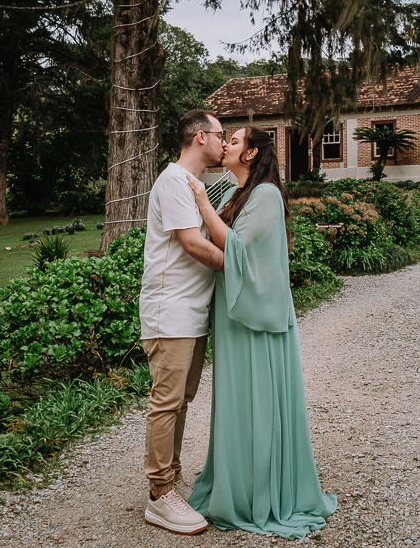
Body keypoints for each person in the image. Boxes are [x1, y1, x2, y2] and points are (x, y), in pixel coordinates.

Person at [185, 125, 337, 537]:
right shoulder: (239, 192)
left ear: (251, 153)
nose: (226, 145)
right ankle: (237, 483)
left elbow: (235, 247)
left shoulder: (266, 194)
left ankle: (262, 493)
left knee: (258, 399)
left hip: (256, 319)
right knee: (238, 399)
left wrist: (201, 202)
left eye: (233, 141)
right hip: (236, 313)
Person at [138, 109, 227, 535]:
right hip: (169, 312)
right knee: (167, 402)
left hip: (190, 314)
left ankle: (170, 480)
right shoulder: (173, 181)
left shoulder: (194, 185)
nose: (224, 143)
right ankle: (159, 495)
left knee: (182, 401)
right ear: (199, 138)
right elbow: (192, 244)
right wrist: (241, 266)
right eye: (220, 135)